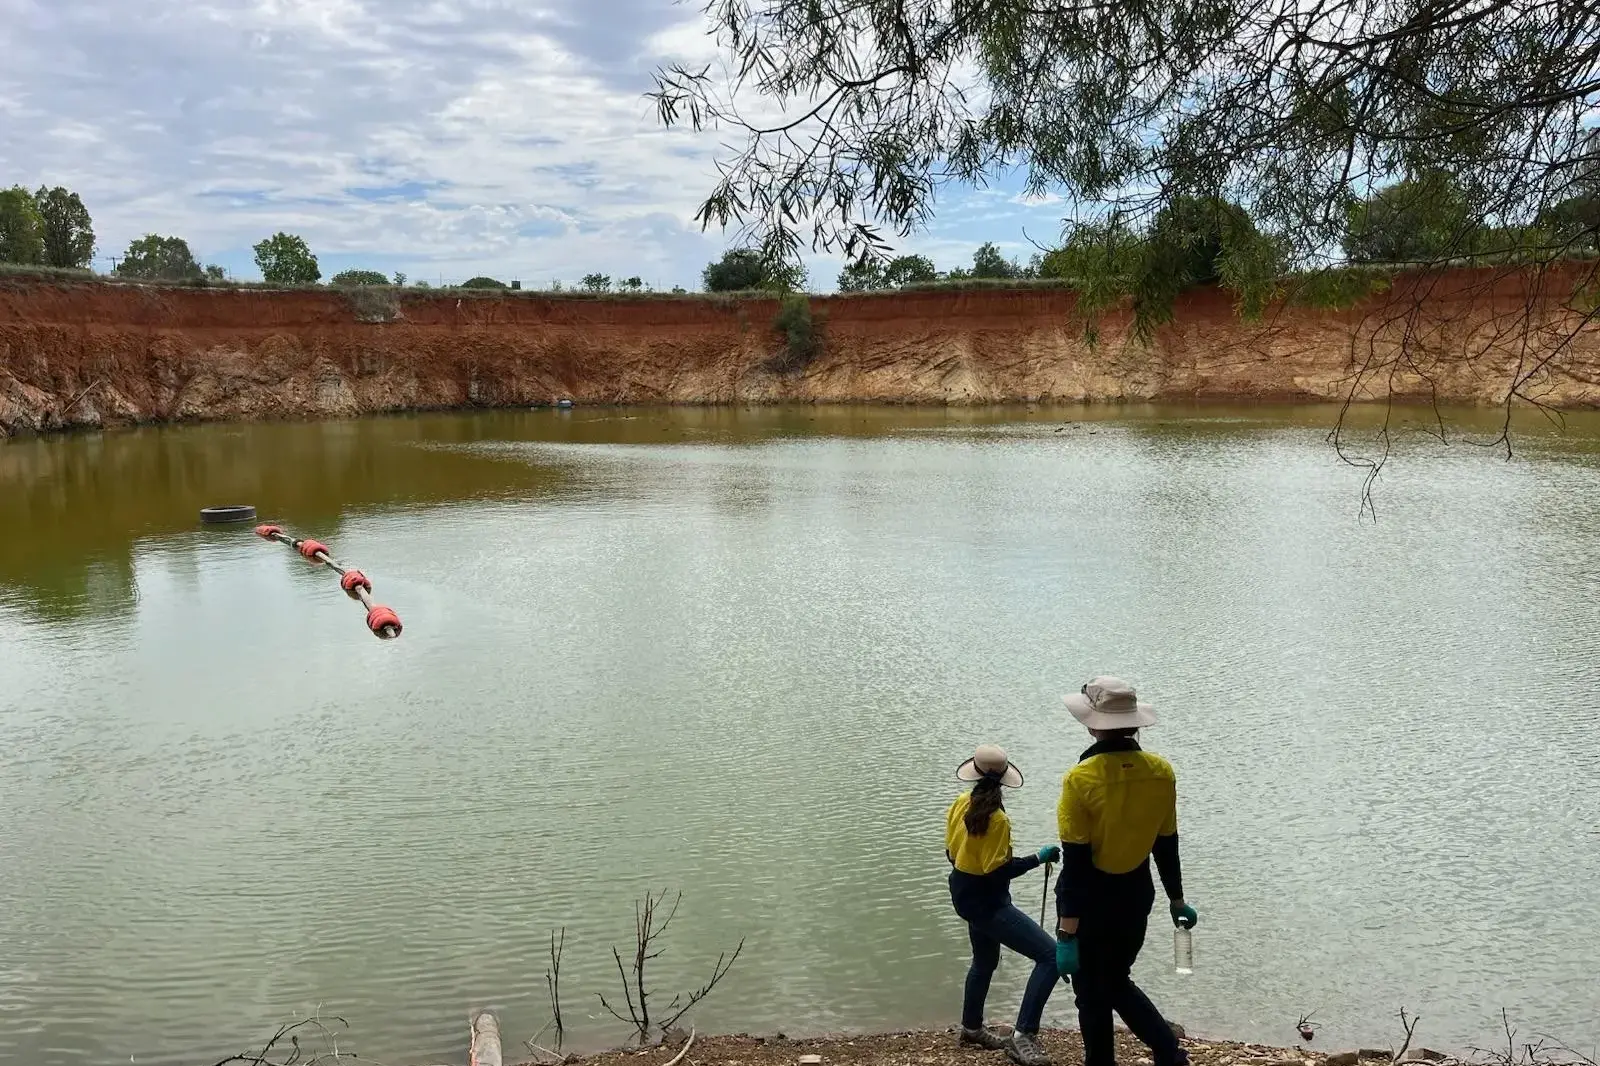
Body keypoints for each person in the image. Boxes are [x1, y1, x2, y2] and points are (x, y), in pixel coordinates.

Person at [1051, 678, 1198, 1066]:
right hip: (1136, 893)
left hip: (1091, 900)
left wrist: (1067, 931)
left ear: (1092, 724)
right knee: (1115, 981)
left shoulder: (1080, 779)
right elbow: (1167, 842)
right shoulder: (1161, 772)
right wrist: (1176, 898)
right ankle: (1170, 1055)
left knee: (1091, 992)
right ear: (1134, 724)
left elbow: (1077, 862)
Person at [946, 744, 1063, 1066]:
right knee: (1051, 956)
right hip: (988, 902)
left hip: (963, 893)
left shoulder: (959, 803)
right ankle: (1023, 1035)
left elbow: (951, 854)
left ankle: (971, 1028)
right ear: (1003, 781)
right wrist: (1038, 858)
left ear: (974, 774)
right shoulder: (997, 820)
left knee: (983, 962)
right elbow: (999, 871)